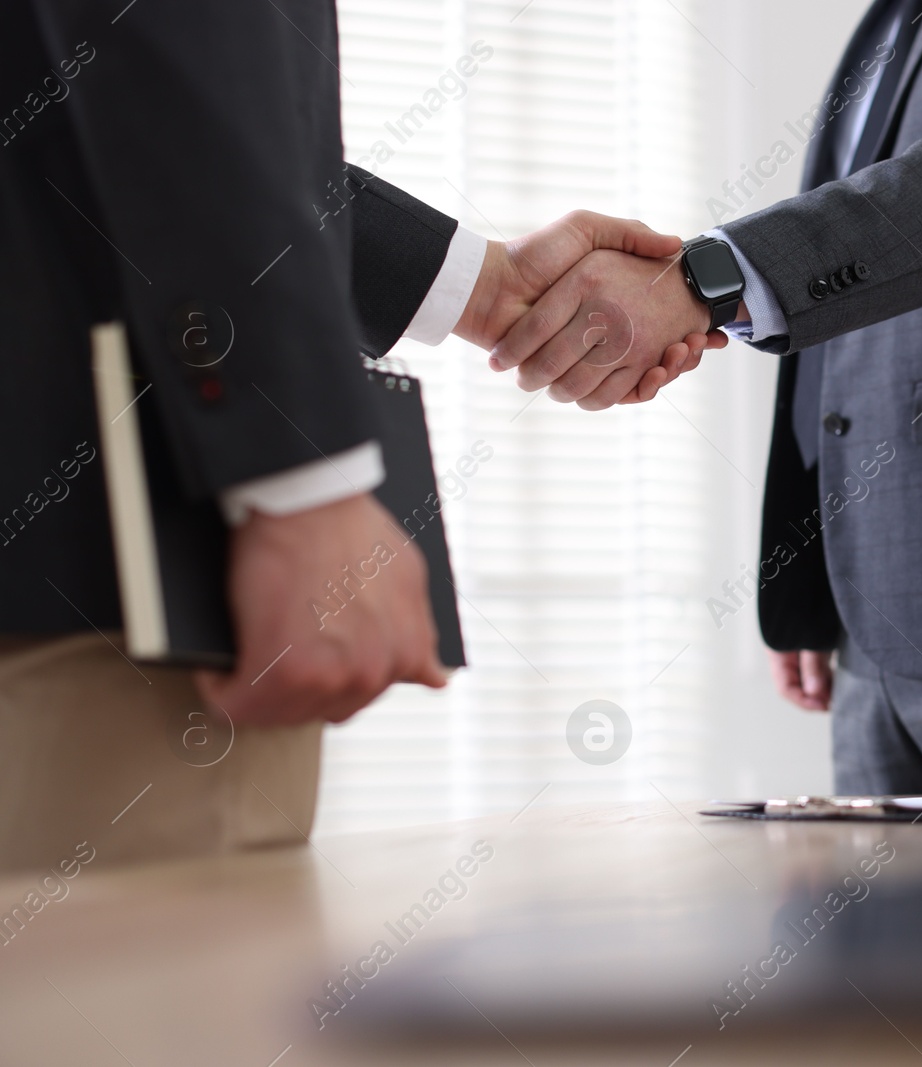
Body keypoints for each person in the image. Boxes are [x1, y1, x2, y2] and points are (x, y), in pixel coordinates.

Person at [0, 0, 704, 870]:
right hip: (98, 580)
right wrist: (300, 477)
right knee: (142, 987)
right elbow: (172, 55)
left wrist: (483, 287)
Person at [494, 0, 922, 793]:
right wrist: (807, 577)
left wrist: (703, 281)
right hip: (866, 629)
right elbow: (851, 316)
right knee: (877, 922)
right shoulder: (890, 22)